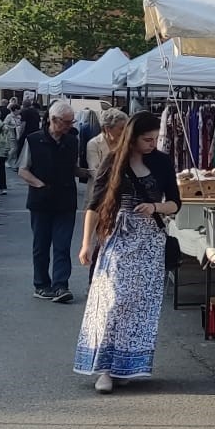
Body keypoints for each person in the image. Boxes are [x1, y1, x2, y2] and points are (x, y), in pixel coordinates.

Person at [75, 112, 180, 392]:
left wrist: (155, 207)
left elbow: (175, 203)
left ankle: (125, 365)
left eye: (155, 139)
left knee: (139, 306)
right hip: (117, 237)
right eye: (147, 139)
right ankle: (105, 368)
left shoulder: (161, 162)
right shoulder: (113, 161)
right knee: (112, 300)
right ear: (132, 137)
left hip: (149, 241)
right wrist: (86, 243)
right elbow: (95, 204)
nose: (152, 144)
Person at [19, 99, 88, 302]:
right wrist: (38, 184)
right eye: (66, 122)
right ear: (54, 120)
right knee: (41, 245)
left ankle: (60, 286)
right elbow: (23, 169)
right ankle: (41, 285)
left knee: (62, 244)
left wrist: (91, 173)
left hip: (65, 200)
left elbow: (73, 168)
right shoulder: (33, 140)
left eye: (71, 122)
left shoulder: (72, 141)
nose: (69, 126)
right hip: (41, 200)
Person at [86, 107, 127, 182]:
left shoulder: (125, 143)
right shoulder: (94, 144)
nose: (124, 132)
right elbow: (95, 173)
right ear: (107, 128)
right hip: (100, 190)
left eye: (126, 129)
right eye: (121, 128)